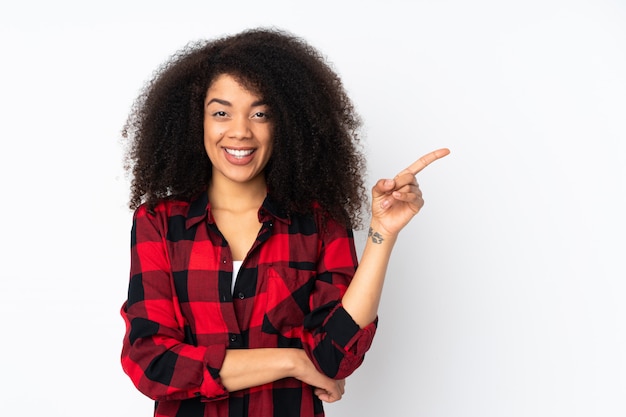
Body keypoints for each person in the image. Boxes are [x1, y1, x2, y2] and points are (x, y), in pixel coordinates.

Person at [119, 27, 449, 417]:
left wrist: (382, 235)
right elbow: (152, 364)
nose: (240, 130)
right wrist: (292, 360)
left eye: (261, 113)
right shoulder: (158, 223)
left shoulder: (320, 223)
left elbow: (334, 356)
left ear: (288, 124)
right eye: (221, 112)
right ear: (196, 122)